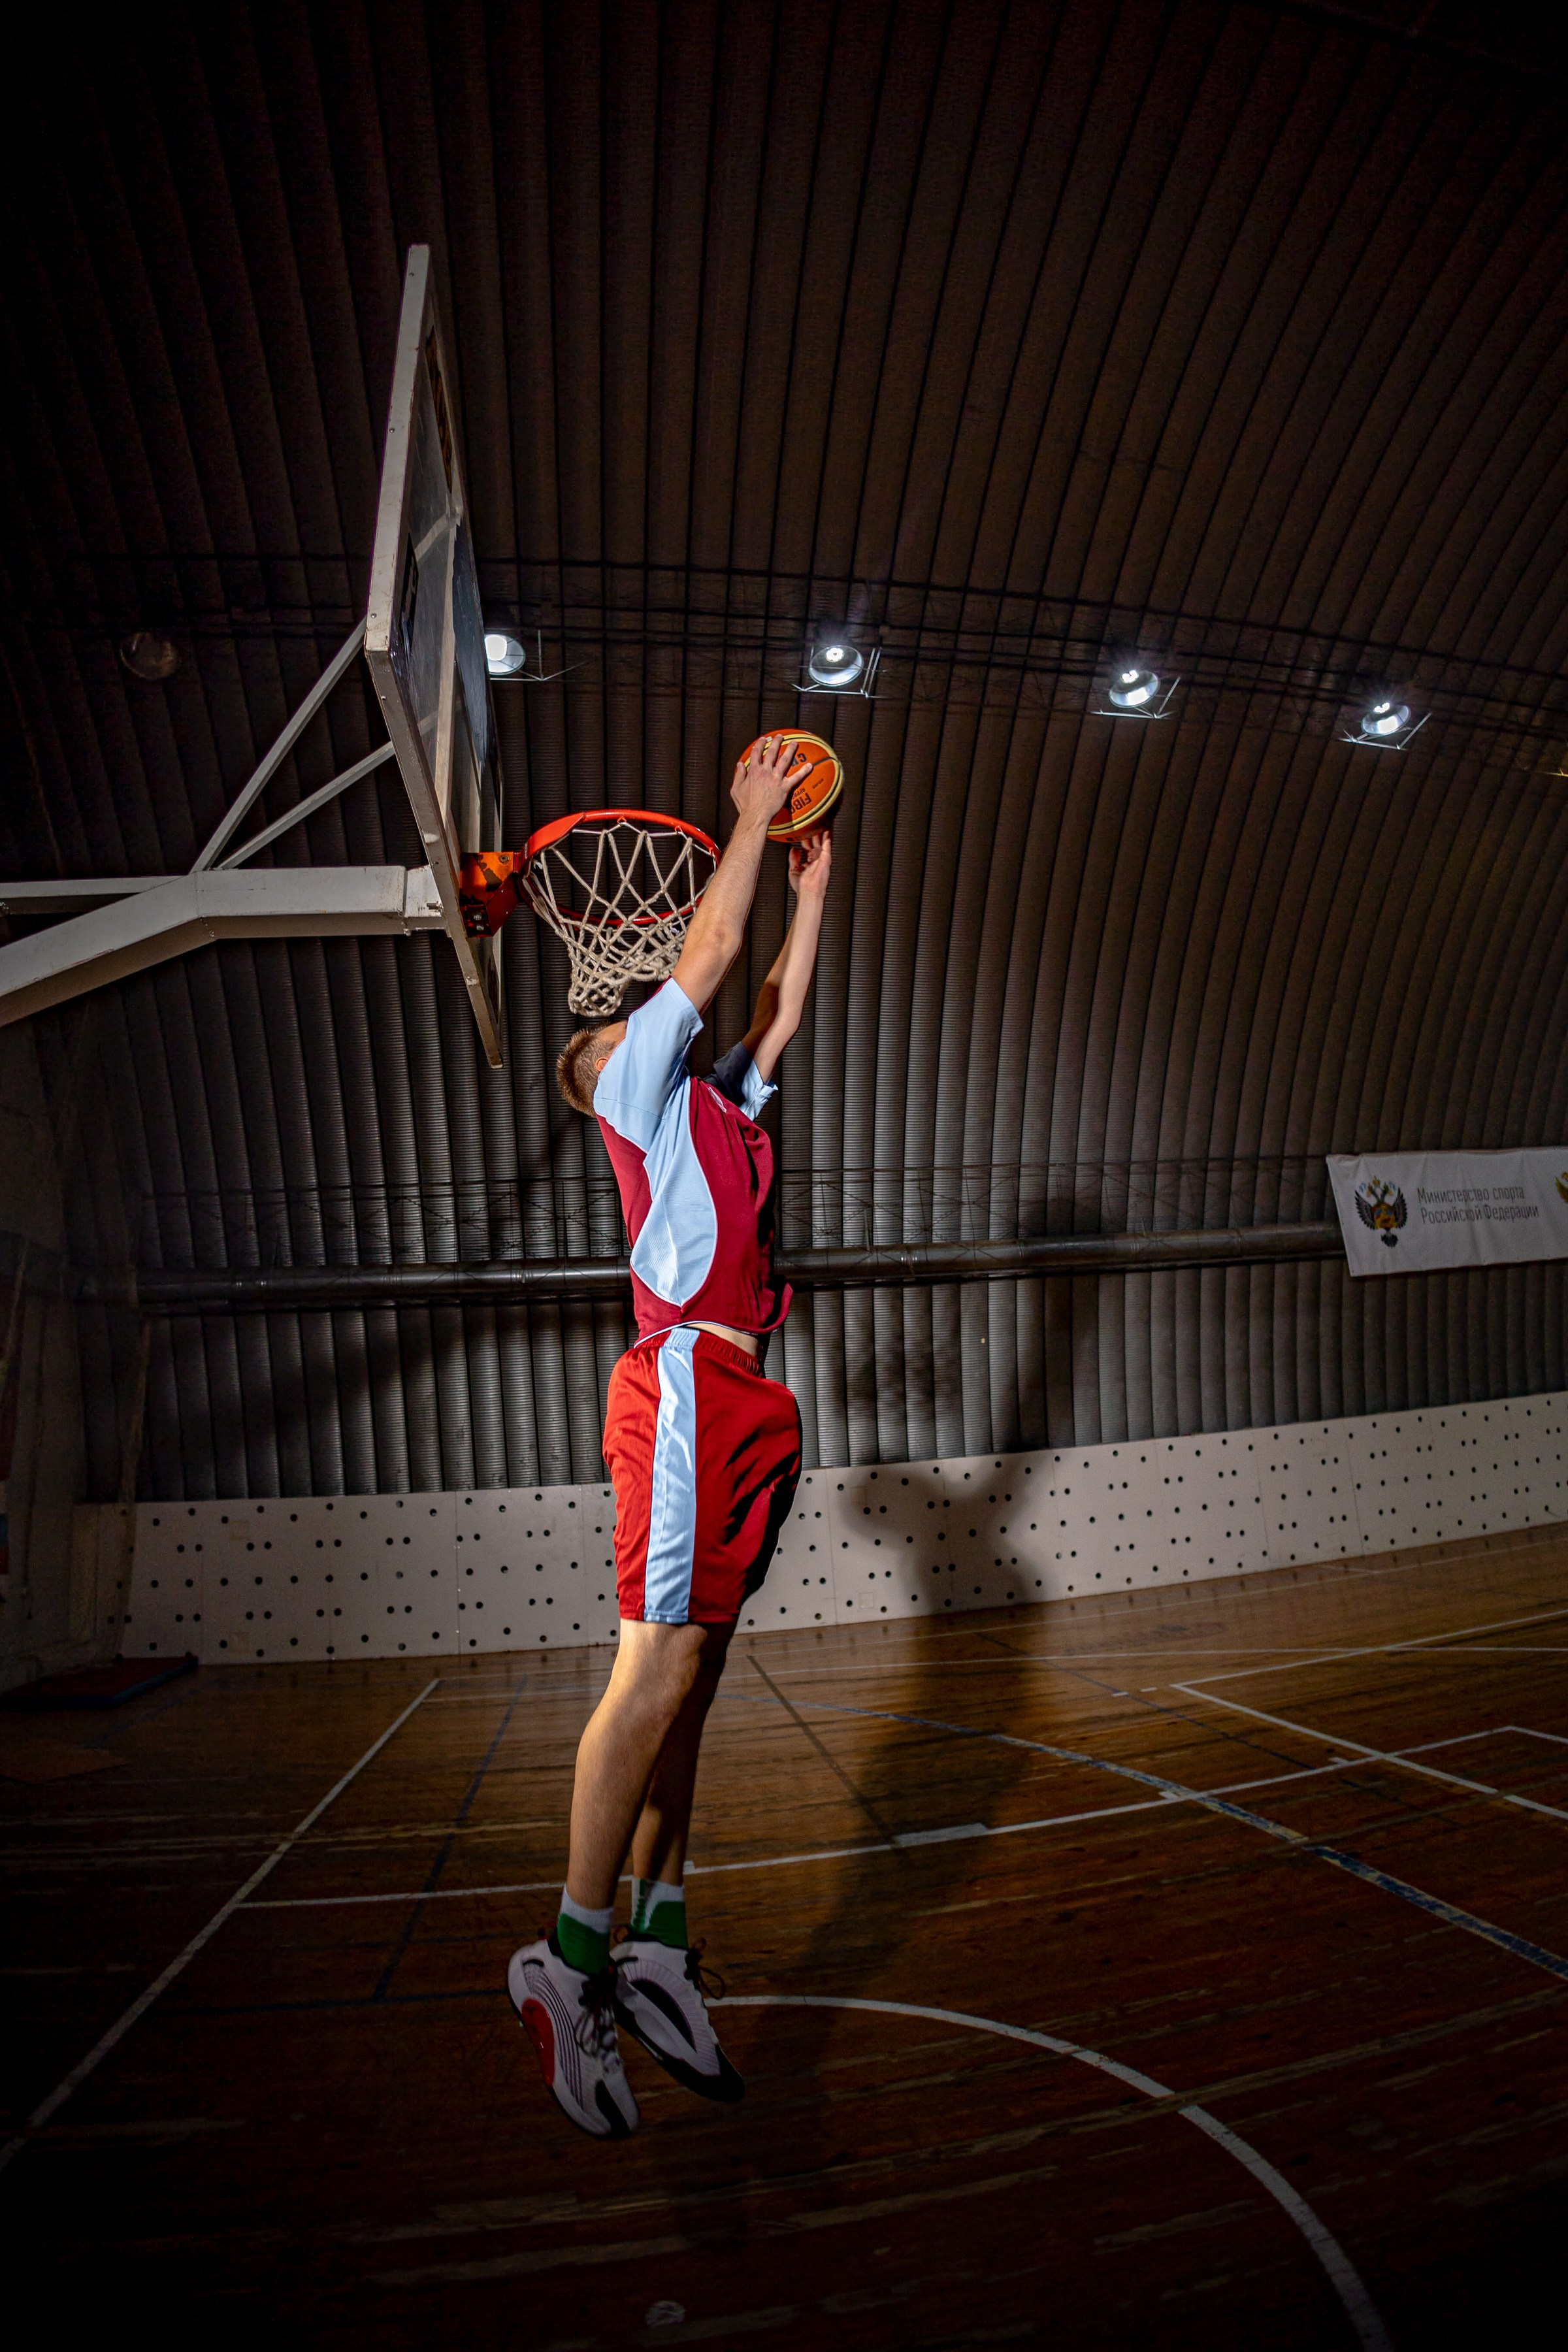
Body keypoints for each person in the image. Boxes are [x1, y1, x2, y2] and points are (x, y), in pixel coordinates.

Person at [508, 735, 832, 2138]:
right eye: (616, 1033)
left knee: (693, 1685)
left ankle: (656, 1939)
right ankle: (566, 1957)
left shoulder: (717, 1105)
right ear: (603, 1072)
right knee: (651, 1677)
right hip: (689, 1382)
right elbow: (710, 951)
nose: (638, 1027)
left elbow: (774, 1010)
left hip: (753, 1398)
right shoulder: (634, 1088)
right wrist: (749, 819)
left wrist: (815, 892)